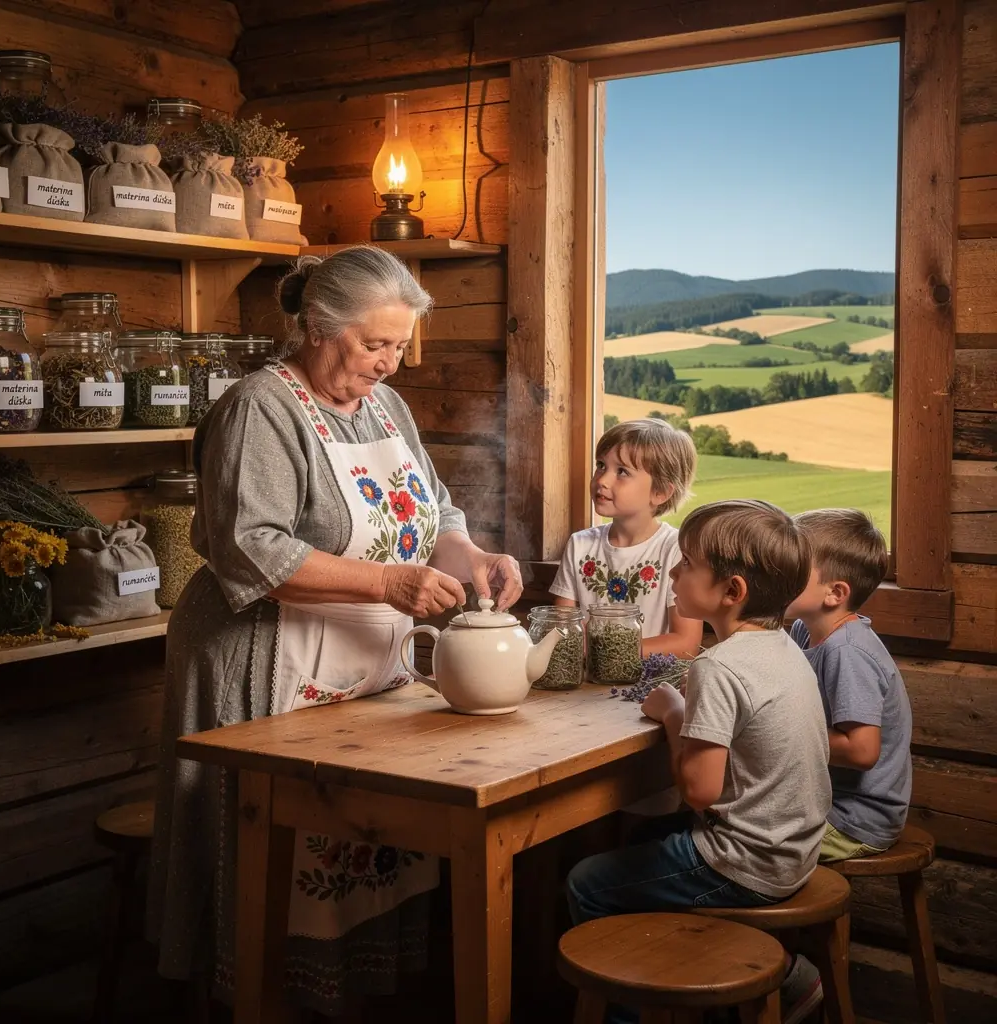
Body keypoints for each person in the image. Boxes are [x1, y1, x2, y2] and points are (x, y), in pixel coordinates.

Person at [146, 246, 523, 1017]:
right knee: (263, 857)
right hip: (264, 658)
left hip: (361, 666)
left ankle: (346, 1000)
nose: (390, 362)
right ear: (319, 326)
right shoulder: (262, 407)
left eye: (399, 345)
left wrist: (473, 554)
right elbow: (254, 547)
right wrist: (390, 581)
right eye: (375, 344)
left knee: (357, 850)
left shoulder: (386, 406)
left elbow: (436, 510)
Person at [566, 499, 831, 1024]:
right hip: (795, 849)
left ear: (732, 592)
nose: (673, 571)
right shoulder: (783, 646)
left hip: (744, 864)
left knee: (587, 882)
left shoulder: (719, 665)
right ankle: (778, 970)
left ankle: (634, 1012)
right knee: (642, 842)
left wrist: (672, 711)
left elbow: (700, 791)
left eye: (686, 563)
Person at [788, 508, 912, 862]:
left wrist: (778, 731)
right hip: (825, 802)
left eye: (791, 568)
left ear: (835, 593)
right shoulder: (804, 629)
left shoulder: (847, 652)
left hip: (854, 819)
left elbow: (862, 751)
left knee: (738, 836)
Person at [550, 417, 703, 658]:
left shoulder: (676, 549)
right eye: (601, 465)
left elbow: (685, 643)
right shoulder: (579, 545)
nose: (602, 480)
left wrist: (606, 652)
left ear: (660, 492)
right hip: (586, 685)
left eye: (622, 471)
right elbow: (562, 630)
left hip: (648, 687)